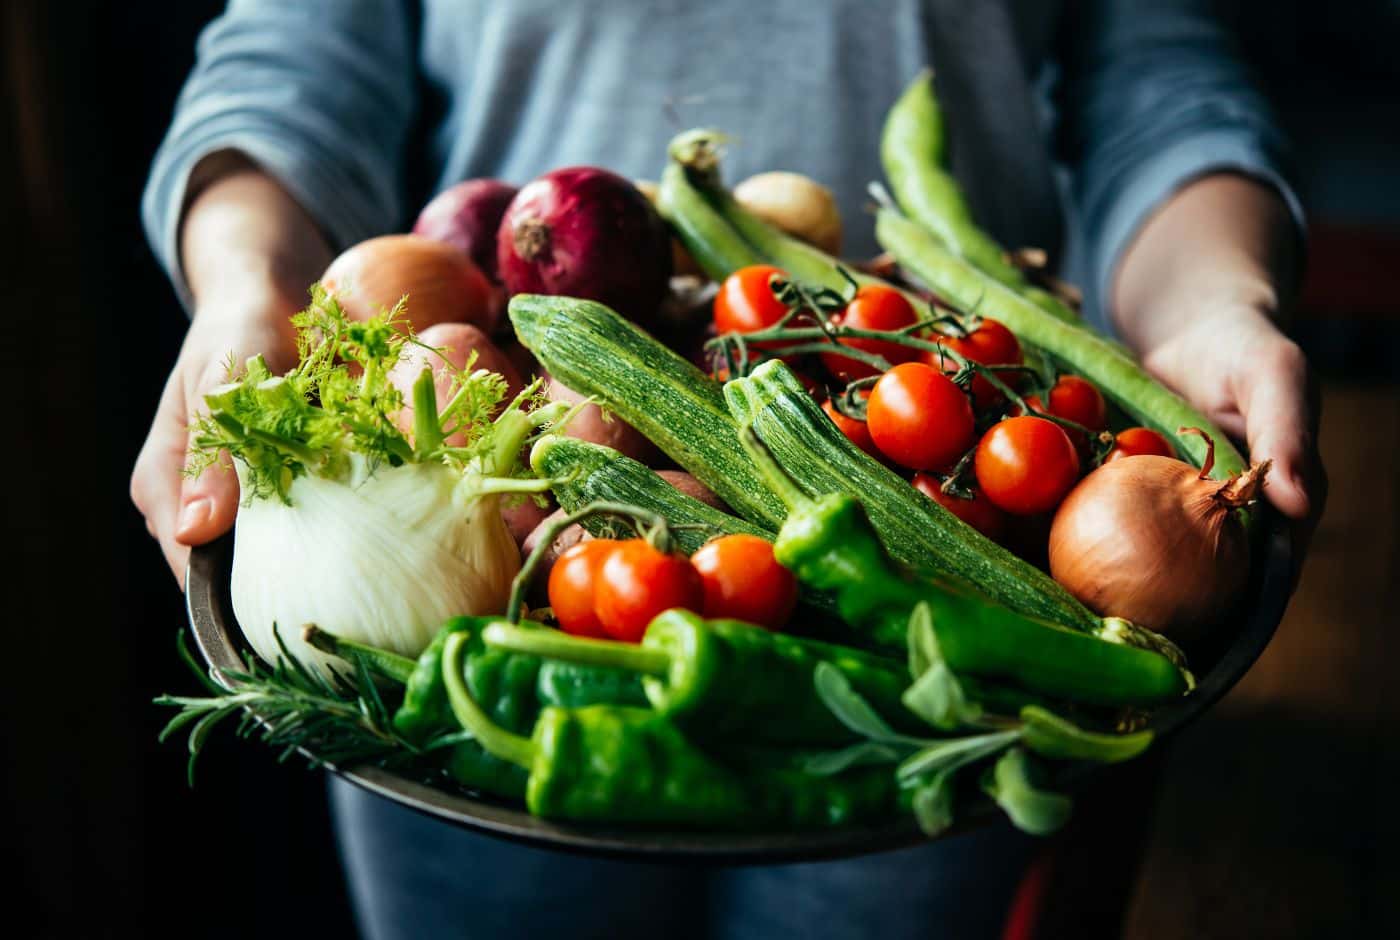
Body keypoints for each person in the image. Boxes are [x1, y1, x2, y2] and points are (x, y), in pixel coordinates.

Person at [132, 2, 1327, 937]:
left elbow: (1155, 83)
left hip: (945, 597)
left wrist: (1218, 298)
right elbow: (291, 64)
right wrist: (246, 290)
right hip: (476, 556)